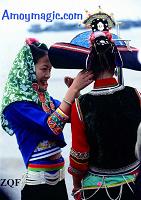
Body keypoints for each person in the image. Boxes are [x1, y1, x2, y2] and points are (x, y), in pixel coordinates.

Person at [0, 38, 94, 200]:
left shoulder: (44, 98)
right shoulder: (15, 105)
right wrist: (72, 91)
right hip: (38, 185)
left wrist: (76, 94)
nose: (48, 75)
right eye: (44, 69)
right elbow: (53, 126)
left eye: (50, 70)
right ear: (28, 68)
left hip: (58, 178)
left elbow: (76, 116)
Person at [68, 32, 141, 200]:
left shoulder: (80, 105)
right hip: (135, 186)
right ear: (115, 65)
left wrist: (77, 185)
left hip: (99, 191)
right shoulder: (135, 96)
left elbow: (80, 157)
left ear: (90, 68)